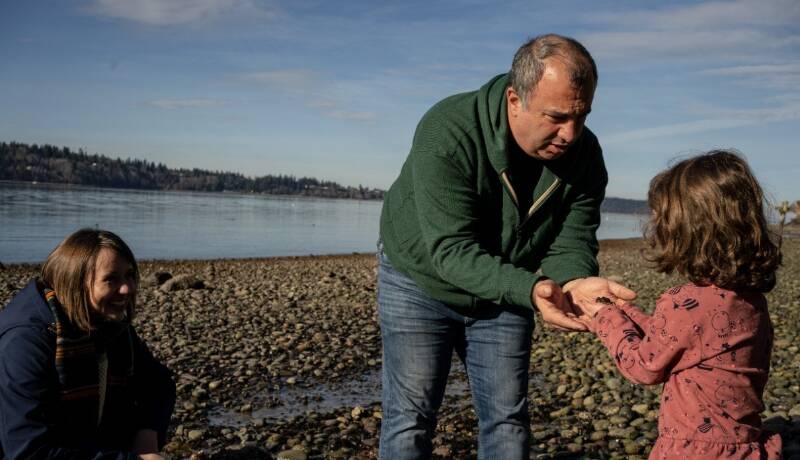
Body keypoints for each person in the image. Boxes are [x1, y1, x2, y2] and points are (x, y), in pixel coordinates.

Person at [377, 34, 636, 459]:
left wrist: (572, 281)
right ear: (515, 99)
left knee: (508, 421)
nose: (570, 134)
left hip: (510, 286)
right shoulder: (449, 129)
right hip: (419, 281)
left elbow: (571, 238)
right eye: (555, 116)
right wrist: (531, 289)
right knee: (410, 420)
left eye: (581, 116)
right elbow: (451, 250)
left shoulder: (585, 155)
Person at [579, 150, 782, 459]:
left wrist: (604, 317)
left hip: (696, 450)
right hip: (743, 445)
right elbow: (680, 344)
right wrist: (625, 312)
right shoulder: (750, 302)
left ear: (686, 231)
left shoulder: (685, 304)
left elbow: (644, 366)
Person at [0, 229, 176, 460]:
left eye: (130, 275)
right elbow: (28, 452)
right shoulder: (26, 342)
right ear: (75, 283)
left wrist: (147, 433)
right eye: (111, 278)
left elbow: (158, 384)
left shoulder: (107, 324)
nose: (127, 288)